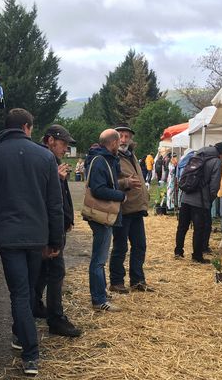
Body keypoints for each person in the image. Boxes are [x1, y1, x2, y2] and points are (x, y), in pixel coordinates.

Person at [0, 108, 63, 377]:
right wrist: (55, 239)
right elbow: (54, 204)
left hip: (9, 235)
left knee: (21, 292)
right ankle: (30, 353)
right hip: (37, 235)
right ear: (26, 127)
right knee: (28, 291)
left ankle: (22, 338)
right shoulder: (46, 157)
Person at [33, 124, 81, 337]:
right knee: (56, 272)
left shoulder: (52, 160)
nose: (66, 148)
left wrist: (68, 218)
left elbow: (62, 196)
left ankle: (36, 305)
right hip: (48, 228)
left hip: (54, 225)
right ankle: (56, 318)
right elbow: (43, 196)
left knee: (45, 271)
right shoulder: (44, 159)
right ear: (50, 140)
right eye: (63, 143)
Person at [84, 129, 126, 312]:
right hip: (100, 216)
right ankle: (99, 299)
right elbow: (98, 189)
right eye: (119, 141)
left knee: (100, 257)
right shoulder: (100, 161)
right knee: (99, 259)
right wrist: (120, 195)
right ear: (114, 143)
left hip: (102, 216)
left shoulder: (103, 159)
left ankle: (100, 292)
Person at [109, 124, 152, 293]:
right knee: (120, 247)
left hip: (137, 209)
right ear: (115, 139)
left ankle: (137, 280)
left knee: (140, 246)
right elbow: (109, 183)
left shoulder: (131, 155)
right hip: (123, 208)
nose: (124, 140)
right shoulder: (112, 157)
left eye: (127, 136)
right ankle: (116, 282)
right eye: (121, 136)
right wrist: (125, 183)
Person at [175, 142, 222, 263]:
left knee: (182, 226)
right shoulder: (216, 162)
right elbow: (214, 185)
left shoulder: (198, 154)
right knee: (199, 228)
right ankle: (197, 255)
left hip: (186, 195)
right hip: (200, 200)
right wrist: (209, 199)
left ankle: (178, 251)